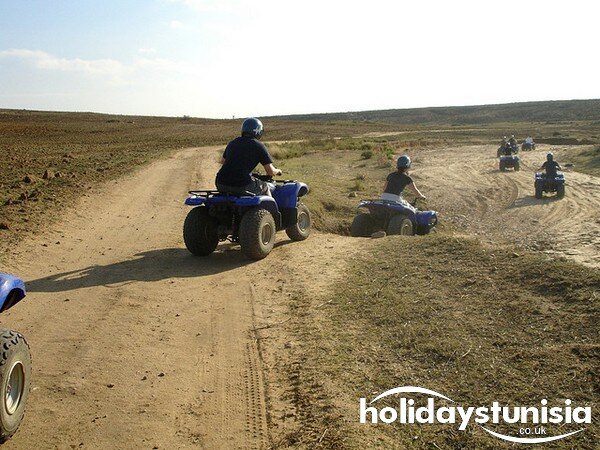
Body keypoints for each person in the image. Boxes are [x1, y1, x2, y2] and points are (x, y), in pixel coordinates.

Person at [215, 118, 282, 195]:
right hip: (242, 184)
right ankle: (270, 207)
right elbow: (270, 172)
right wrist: (278, 171)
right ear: (258, 131)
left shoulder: (232, 143)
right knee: (265, 187)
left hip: (221, 183)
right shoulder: (258, 145)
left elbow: (223, 161)